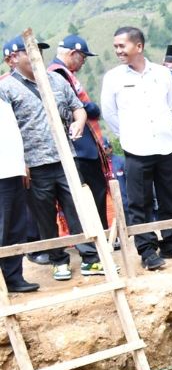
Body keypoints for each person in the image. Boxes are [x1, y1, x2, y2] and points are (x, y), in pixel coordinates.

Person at [2, 36, 103, 281]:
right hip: (35, 164)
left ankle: (90, 257)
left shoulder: (57, 80)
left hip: (66, 158)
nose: (37, 55)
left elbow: (77, 107)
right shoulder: (5, 88)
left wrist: (79, 122)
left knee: (78, 208)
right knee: (44, 215)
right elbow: (5, 130)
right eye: (30, 51)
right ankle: (58, 259)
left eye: (39, 50)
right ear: (14, 58)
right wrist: (20, 162)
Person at [101, 27, 172, 270]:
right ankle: (147, 249)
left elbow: (169, 106)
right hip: (136, 148)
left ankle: (171, 242)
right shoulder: (113, 78)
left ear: (138, 46)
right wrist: (130, 134)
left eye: (122, 46)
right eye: (116, 46)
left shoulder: (162, 75)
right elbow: (110, 114)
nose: (118, 50)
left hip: (166, 144)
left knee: (169, 197)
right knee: (140, 202)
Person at [49, 34, 112, 229]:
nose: (83, 62)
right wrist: (90, 107)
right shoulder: (57, 74)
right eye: (82, 57)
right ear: (73, 53)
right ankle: (95, 236)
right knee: (90, 194)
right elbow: (73, 106)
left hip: (82, 147)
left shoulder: (64, 74)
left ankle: (98, 234)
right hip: (78, 146)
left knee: (95, 192)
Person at [0, 76, 36, 292]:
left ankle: (14, 278)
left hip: (14, 170)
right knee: (1, 229)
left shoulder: (4, 100)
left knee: (16, 228)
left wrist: (23, 165)